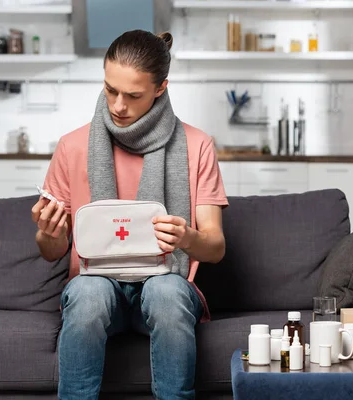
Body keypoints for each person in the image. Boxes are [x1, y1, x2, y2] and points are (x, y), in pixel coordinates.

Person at [31, 29, 229, 400]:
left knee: (167, 292)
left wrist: (187, 238)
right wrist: (49, 232)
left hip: (163, 282)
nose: (118, 105)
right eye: (110, 90)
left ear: (160, 88)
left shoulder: (197, 145)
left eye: (133, 95)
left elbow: (215, 247)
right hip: (97, 284)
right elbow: (51, 250)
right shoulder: (73, 146)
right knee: (88, 294)